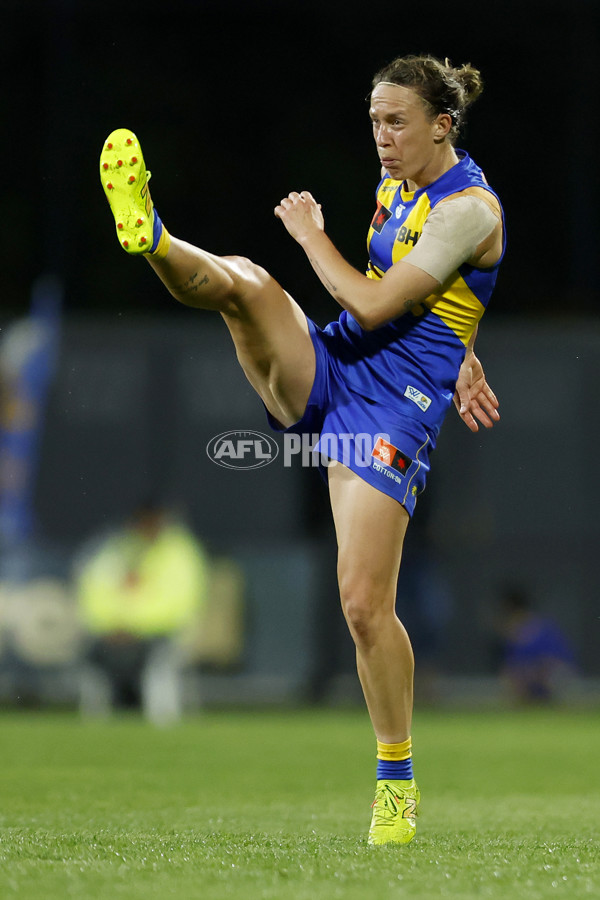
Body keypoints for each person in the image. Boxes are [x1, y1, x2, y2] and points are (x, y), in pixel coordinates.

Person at [99, 54, 504, 844]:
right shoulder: (402, 186)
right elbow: (431, 296)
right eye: (375, 122)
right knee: (245, 283)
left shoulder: (471, 210)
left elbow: (374, 295)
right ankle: (150, 234)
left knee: (363, 605)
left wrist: (313, 237)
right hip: (339, 364)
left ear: (441, 126)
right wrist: (465, 347)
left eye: (397, 123)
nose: (382, 139)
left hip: (390, 414)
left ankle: (395, 783)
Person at [74, 502, 209, 725]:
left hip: (161, 633)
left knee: (158, 658)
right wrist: (112, 625)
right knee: (90, 653)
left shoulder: (180, 552)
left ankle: (164, 720)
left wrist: (134, 626)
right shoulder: (118, 549)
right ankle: (94, 722)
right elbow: (94, 592)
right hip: (113, 634)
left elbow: (179, 604)